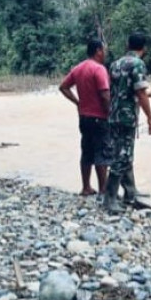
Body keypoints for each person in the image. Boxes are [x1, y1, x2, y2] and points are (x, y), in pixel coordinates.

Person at [104, 32, 151, 213]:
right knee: (123, 156)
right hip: (126, 117)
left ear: (127, 45)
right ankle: (109, 198)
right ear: (144, 48)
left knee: (124, 153)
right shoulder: (138, 64)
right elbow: (140, 93)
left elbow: (117, 91)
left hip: (113, 115)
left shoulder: (115, 64)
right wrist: (150, 118)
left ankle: (130, 192)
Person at [59, 39, 111, 195]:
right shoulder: (99, 69)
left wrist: (78, 102)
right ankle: (103, 189)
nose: (105, 53)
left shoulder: (78, 68)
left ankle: (86, 187)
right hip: (99, 117)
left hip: (84, 117)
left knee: (87, 151)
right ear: (98, 51)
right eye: (104, 50)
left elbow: (63, 87)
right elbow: (105, 95)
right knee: (101, 152)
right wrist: (110, 113)